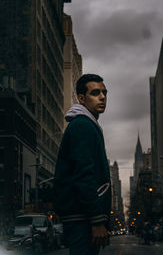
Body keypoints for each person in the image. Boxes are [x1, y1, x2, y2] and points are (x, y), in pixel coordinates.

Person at [53, 74, 111, 255]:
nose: (102, 97)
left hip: (82, 217)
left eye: (104, 92)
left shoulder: (87, 124)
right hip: (83, 218)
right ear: (81, 98)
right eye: (95, 93)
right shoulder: (82, 126)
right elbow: (84, 175)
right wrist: (96, 220)